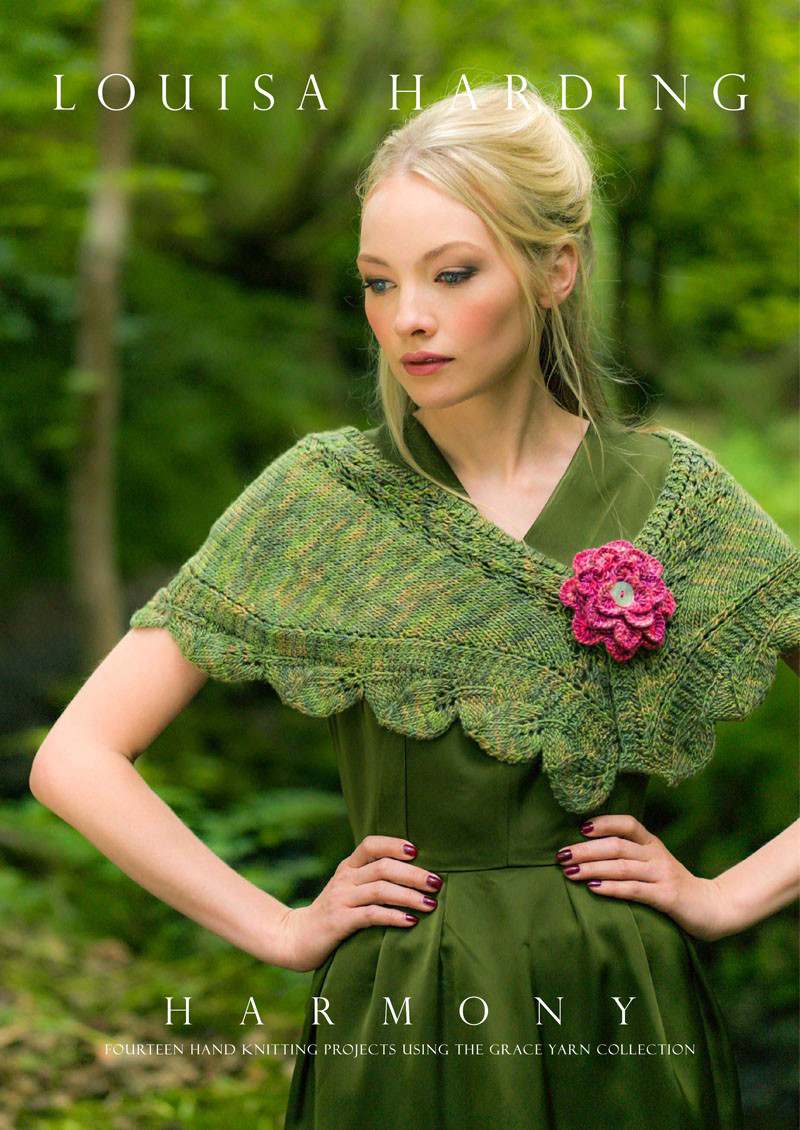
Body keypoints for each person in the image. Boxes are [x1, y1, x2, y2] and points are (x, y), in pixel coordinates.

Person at [29, 82, 800, 1130]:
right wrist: (278, 927)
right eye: (377, 283)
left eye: (452, 273)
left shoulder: (677, 497)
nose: (408, 318)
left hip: (622, 1009)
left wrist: (729, 893)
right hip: (407, 1007)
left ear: (555, 268)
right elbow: (75, 757)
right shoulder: (325, 499)